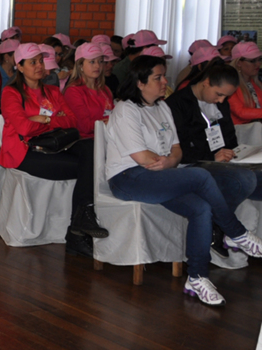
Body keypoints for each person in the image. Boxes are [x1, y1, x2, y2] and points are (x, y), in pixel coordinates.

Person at [106, 55, 262, 305]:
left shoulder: (162, 107)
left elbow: (176, 150)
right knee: (200, 175)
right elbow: (142, 157)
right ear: (140, 82)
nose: (164, 81)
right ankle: (236, 232)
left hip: (160, 173)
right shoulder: (126, 110)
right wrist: (168, 161)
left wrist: (169, 161)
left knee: (201, 207)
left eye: (163, 76)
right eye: (157, 77)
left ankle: (197, 277)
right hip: (129, 177)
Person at [0, 43, 106, 252]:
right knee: (90, 167)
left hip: (56, 145)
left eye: (40, 61)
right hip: (25, 151)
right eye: (33, 62)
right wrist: (55, 118)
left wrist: (43, 120)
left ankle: (80, 222)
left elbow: (73, 121)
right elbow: (23, 127)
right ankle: (79, 227)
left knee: (90, 149)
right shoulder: (11, 93)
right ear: (19, 67)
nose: (39, 66)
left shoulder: (53, 91)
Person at [167, 61, 262, 265]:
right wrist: (213, 157)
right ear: (206, 83)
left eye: (226, 96)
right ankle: (223, 228)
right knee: (244, 180)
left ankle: (224, 229)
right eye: (219, 94)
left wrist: (238, 153)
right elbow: (178, 148)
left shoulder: (220, 103)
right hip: (193, 164)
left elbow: (229, 137)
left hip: (220, 163)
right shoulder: (178, 103)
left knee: (256, 178)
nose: (221, 100)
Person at [63, 42, 114, 139]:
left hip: (107, 138)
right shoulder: (73, 91)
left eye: (100, 61)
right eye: (92, 62)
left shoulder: (105, 89)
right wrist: (112, 121)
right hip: (85, 141)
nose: (97, 66)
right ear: (80, 65)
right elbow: (84, 126)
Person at [226, 41, 262, 124]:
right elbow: (240, 112)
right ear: (239, 63)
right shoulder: (230, 84)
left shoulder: (257, 84)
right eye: (252, 61)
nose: (258, 64)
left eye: (259, 59)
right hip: (241, 134)